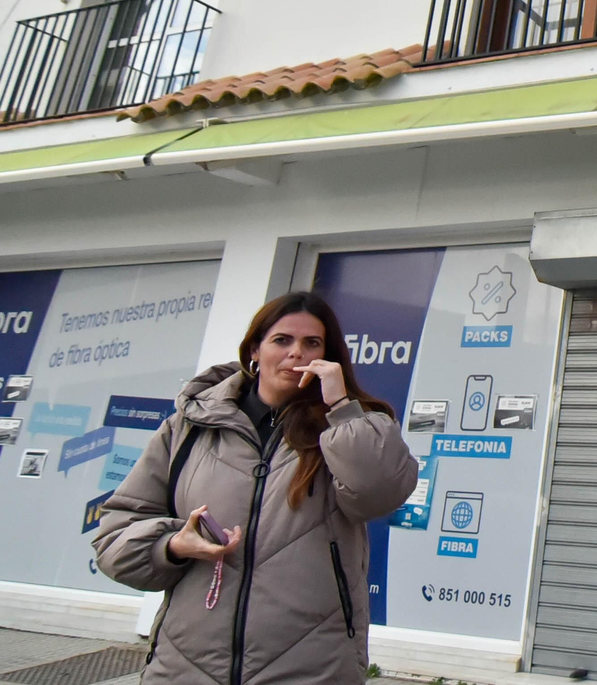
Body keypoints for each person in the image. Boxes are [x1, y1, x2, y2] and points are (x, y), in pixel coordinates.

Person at [93, 292, 418, 684]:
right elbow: (115, 536)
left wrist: (341, 408)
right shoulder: (189, 427)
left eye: (312, 343)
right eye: (282, 340)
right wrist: (174, 545)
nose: (296, 353)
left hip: (310, 666)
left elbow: (379, 495)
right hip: (187, 666)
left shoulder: (352, 425)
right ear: (254, 350)